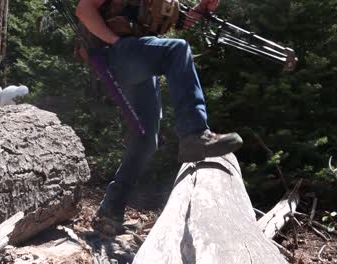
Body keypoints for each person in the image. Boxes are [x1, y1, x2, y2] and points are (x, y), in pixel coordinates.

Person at [75, 0, 243, 235]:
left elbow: (181, 20)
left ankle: (110, 210)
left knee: (146, 140)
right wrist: (116, 42)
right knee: (177, 50)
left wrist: (202, 9)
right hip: (114, 53)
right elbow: (84, 10)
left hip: (138, 56)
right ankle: (194, 134)